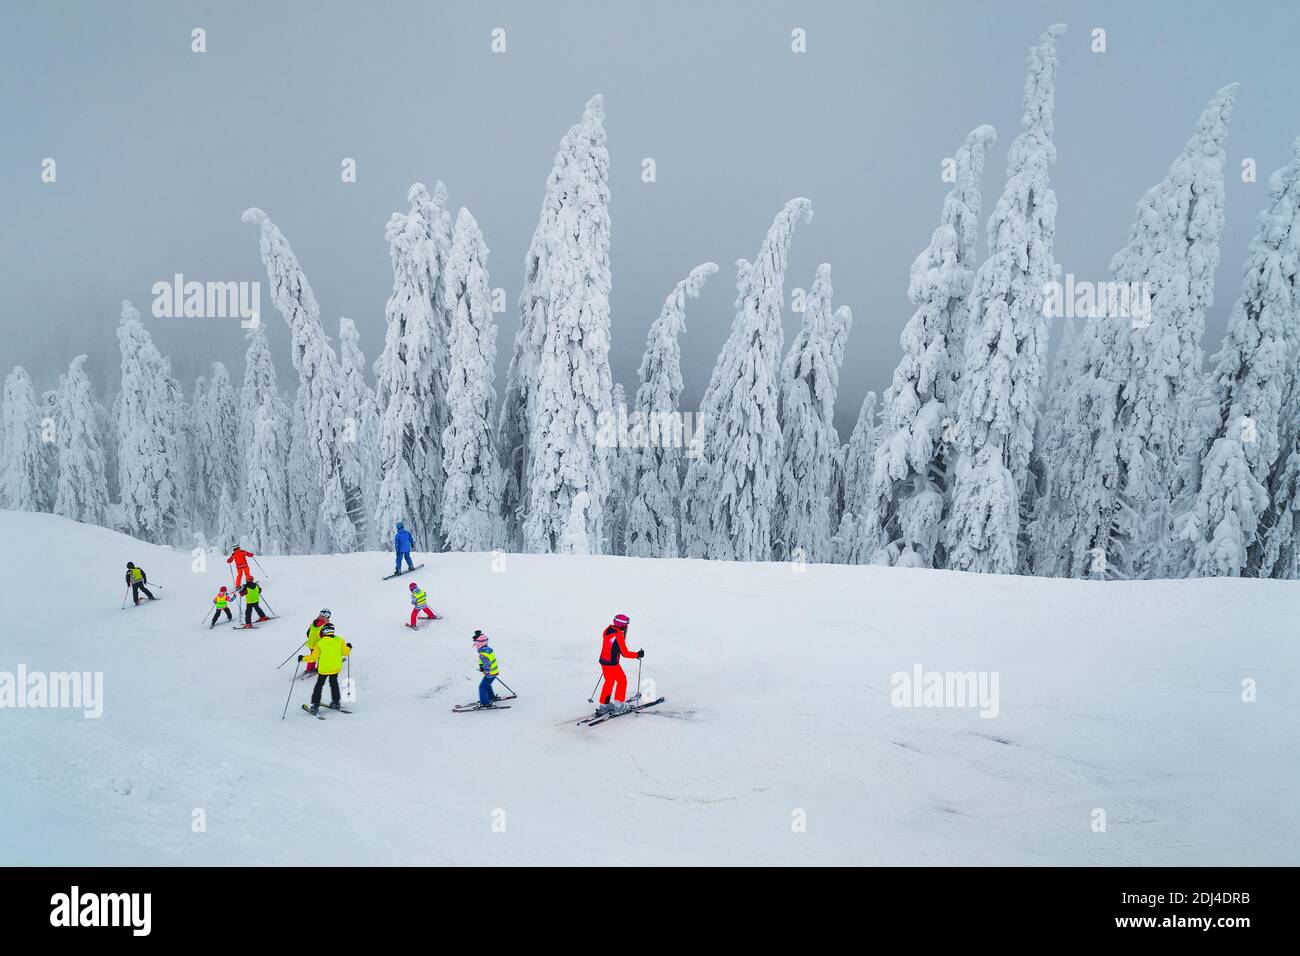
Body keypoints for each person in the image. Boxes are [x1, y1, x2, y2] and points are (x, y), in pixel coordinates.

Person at [299, 622, 351, 714]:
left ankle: (315, 705)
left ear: (323, 632)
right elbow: (345, 653)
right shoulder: (340, 640)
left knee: (319, 686)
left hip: (324, 670)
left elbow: (313, 658)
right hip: (335, 668)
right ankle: (336, 702)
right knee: (334, 684)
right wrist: (349, 647)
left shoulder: (320, 643)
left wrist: (302, 658)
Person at [597, 613, 643, 714]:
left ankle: (604, 705)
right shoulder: (618, 635)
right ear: (623, 625)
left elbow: (611, 646)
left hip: (604, 661)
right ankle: (619, 705)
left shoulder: (608, 629)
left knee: (609, 681)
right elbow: (625, 653)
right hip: (612, 663)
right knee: (622, 680)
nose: (627, 626)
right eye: (626, 624)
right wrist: (637, 655)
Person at [473, 630, 501, 707]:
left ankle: (485, 703)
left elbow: (487, 663)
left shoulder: (483, 653)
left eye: (476, 644)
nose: (475, 645)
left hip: (490, 672)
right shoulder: (487, 649)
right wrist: (482, 666)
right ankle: (491, 697)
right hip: (494, 671)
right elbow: (486, 661)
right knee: (487, 684)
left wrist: (486, 671)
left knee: (482, 687)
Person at [304, 609, 330, 675]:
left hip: (311, 644)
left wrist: (312, 637)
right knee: (321, 656)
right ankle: (320, 668)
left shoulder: (313, 623)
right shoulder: (325, 625)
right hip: (319, 646)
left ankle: (309, 669)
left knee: (313, 656)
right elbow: (326, 636)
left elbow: (308, 633)